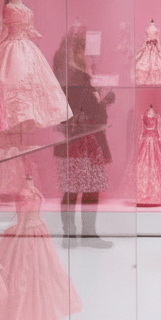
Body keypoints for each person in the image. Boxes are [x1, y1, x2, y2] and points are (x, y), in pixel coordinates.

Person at [52, 26, 116, 249]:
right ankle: (88, 235)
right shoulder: (79, 76)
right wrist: (105, 100)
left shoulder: (61, 74)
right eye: (84, 51)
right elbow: (95, 112)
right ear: (78, 52)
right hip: (86, 140)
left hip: (69, 140)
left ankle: (69, 237)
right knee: (89, 188)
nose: (88, 56)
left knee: (70, 189)